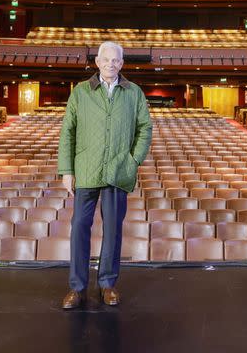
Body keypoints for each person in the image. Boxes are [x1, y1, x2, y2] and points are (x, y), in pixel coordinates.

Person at [57, 41, 152, 309]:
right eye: (106, 59)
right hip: (86, 168)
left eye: (116, 60)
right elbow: (68, 132)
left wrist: (133, 160)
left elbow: (145, 128)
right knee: (79, 228)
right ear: (97, 62)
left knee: (112, 231)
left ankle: (107, 284)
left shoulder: (133, 92)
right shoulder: (81, 92)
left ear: (122, 64)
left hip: (118, 170)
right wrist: (66, 170)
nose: (111, 64)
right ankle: (77, 288)